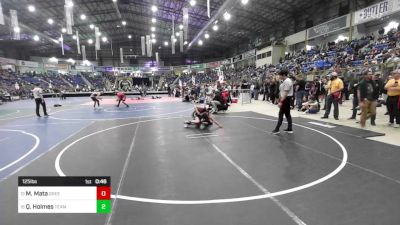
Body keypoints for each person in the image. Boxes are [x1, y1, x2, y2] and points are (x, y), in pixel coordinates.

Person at [272, 69, 294, 134]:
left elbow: (286, 92)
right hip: (285, 98)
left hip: (286, 99)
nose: (279, 76)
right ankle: (290, 128)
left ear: (283, 75)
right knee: (287, 114)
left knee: (281, 113)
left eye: (280, 75)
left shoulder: (287, 81)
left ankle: (277, 129)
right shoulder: (284, 81)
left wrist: (281, 101)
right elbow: (281, 91)